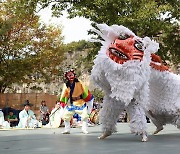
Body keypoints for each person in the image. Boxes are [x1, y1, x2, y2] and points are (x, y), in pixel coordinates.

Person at [60, 69, 94, 134]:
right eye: (69, 75)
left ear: (74, 75)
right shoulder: (66, 85)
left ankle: (84, 129)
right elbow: (64, 94)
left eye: (71, 74)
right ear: (67, 77)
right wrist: (63, 102)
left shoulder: (79, 82)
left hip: (80, 102)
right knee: (65, 116)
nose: (70, 76)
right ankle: (67, 129)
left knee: (85, 116)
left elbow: (85, 90)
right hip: (71, 103)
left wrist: (87, 98)